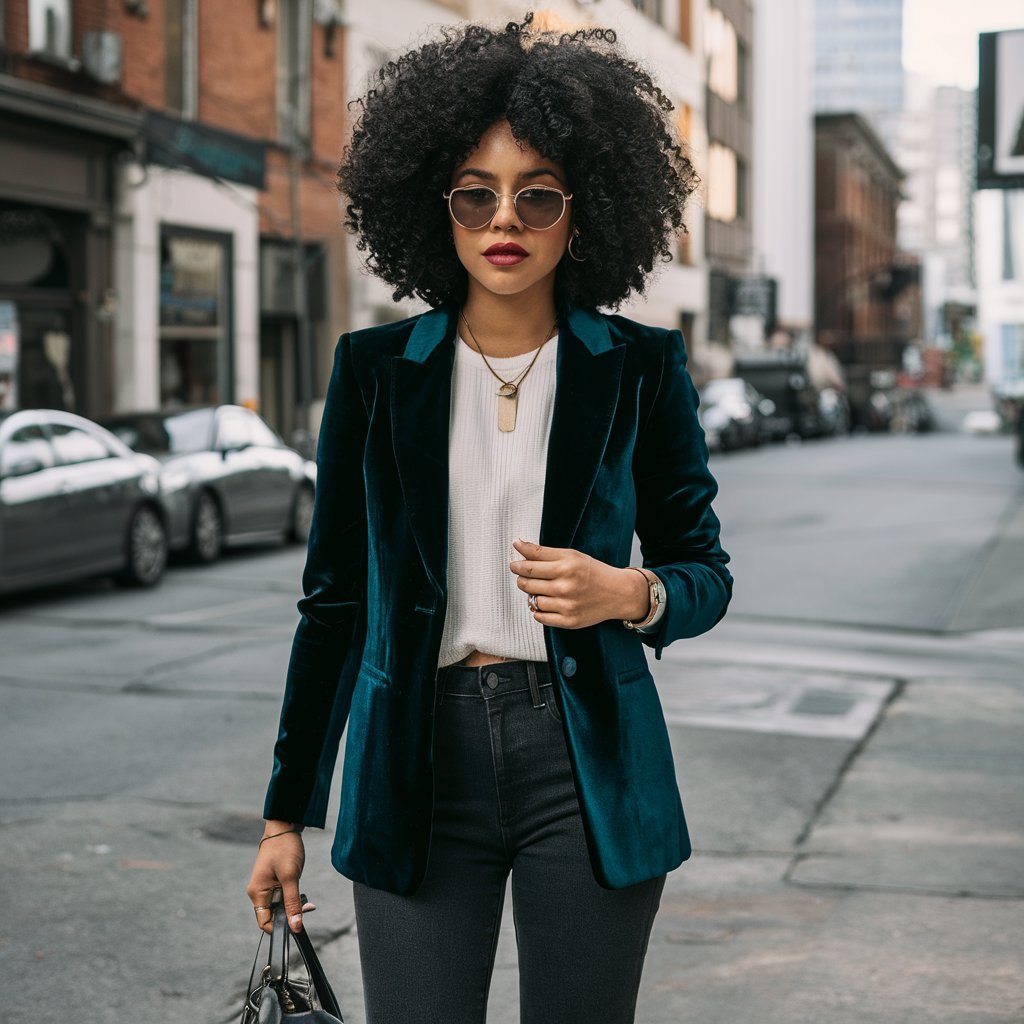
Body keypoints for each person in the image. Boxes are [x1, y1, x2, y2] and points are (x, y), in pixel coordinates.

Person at [247, 13, 732, 1024]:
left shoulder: (639, 369)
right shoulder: (375, 374)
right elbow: (332, 602)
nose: (502, 217)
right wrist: (284, 812)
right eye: (474, 194)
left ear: (582, 212)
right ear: (438, 210)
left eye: (537, 194)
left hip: (585, 760)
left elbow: (702, 570)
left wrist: (634, 593)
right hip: (414, 761)